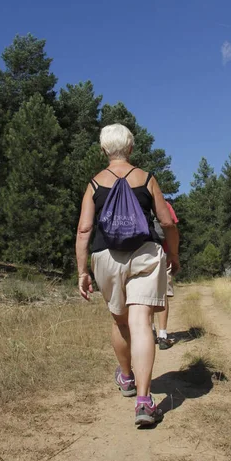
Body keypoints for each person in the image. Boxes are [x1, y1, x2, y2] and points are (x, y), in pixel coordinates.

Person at [76, 123, 180, 427]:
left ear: (103, 150)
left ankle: (126, 377)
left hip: (106, 256)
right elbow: (167, 223)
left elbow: (84, 230)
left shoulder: (94, 184)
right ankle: (145, 402)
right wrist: (172, 253)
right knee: (141, 322)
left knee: (120, 321)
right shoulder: (147, 179)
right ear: (131, 147)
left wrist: (83, 271)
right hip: (145, 253)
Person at [152, 201, 179, 350]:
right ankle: (162, 335)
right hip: (164, 253)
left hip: (142, 254)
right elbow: (171, 227)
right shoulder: (164, 204)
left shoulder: (136, 203)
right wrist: (174, 254)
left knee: (144, 294)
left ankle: (150, 331)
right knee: (162, 295)